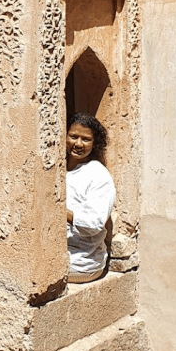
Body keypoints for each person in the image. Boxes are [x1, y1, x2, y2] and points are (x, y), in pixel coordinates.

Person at [65, 112, 115, 283]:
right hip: (55, 253)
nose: (78, 144)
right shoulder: (58, 168)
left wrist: (61, 212)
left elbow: (94, 223)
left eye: (86, 139)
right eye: (73, 136)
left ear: (95, 144)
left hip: (82, 262)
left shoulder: (97, 175)